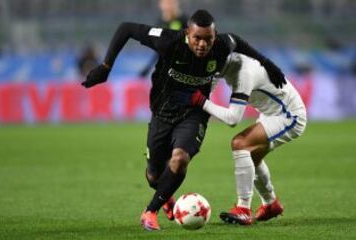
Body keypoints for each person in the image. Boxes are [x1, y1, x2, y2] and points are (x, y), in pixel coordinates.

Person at [81, 9, 286, 231]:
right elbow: (126, 28)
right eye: (197, 38)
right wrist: (106, 67)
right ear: (187, 33)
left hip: (193, 113)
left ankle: (150, 211)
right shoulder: (169, 41)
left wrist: (267, 63)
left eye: (208, 39)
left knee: (180, 159)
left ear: (214, 37)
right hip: (162, 113)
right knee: (153, 175)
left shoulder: (221, 45)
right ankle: (166, 196)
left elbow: (238, 41)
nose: (202, 44)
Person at [173, 52, 307, 225]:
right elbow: (205, 93)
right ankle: (271, 204)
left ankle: (243, 209)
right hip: (271, 113)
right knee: (252, 156)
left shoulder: (245, 73)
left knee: (240, 143)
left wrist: (201, 102)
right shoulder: (224, 64)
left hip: (289, 115)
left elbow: (232, 118)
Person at [139, 0, 188, 77]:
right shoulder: (160, 23)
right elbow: (158, 49)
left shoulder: (184, 20)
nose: (168, 6)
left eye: (171, 3)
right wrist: (148, 68)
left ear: (176, 3)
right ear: (161, 5)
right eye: (166, 3)